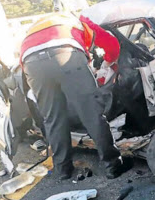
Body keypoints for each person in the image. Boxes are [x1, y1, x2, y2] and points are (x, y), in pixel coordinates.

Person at [20, 12, 129, 180]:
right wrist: (109, 62)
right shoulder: (80, 20)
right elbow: (111, 44)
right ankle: (113, 165)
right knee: (91, 113)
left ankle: (63, 170)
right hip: (65, 54)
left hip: (31, 61)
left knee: (53, 118)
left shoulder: (39, 25)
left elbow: (24, 62)